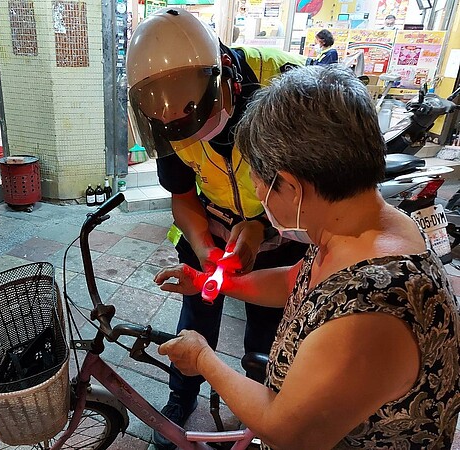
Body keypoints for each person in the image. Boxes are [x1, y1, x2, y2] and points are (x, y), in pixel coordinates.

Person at [154, 65, 460, 448]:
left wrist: (202, 358)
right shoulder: (355, 225)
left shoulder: (371, 310)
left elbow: (287, 431)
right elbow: (294, 282)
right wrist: (207, 280)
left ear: (294, 189)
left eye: (260, 182)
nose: (258, 194)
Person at [125, 7, 309, 449]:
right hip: (214, 226)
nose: (194, 144)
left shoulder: (285, 89)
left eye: (201, 129)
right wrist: (205, 248)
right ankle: (179, 399)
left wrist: (262, 231)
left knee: (267, 330)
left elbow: (308, 199)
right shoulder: (163, 112)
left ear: (225, 84)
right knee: (197, 314)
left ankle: (256, 413)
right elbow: (183, 196)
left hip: (283, 230)